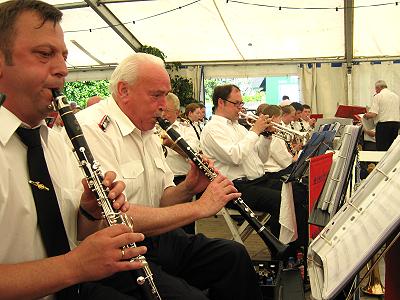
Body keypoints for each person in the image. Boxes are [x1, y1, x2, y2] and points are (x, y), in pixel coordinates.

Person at [74, 53, 263, 300]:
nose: (164, 104)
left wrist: (188, 187)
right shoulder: (90, 129)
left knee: (233, 255)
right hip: (117, 250)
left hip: (156, 237)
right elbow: (113, 217)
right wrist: (198, 208)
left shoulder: (147, 127)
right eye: (156, 95)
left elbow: (162, 199)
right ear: (124, 91)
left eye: (166, 94)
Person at [0, 1, 147, 299]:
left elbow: (74, 234)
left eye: (64, 56)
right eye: (44, 54)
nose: (63, 69)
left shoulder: (54, 141)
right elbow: (72, 261)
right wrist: (74, 266)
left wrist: (88, 211)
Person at [200, 85, 308, 260]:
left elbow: (262, 158)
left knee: (300, 191)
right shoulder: (213, 129)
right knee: (282, 201)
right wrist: (256, 131)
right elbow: (235, 156)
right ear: (221, 102)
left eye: (241, 103)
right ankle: (283, 255)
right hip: (234, 187)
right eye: (236, 103)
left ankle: (299, 249)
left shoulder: (239, 128)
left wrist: (266, 137)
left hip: (257, 180)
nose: (240, 108)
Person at [364, 80, 400, 151]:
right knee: (392, 150)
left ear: (378, 88)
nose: (376, 91)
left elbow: (373, 114)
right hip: (396, 125)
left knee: (382, 150)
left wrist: (366, 115)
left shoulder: (378, 96)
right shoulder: (396, 96)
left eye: (376, 89)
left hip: (383, 126)